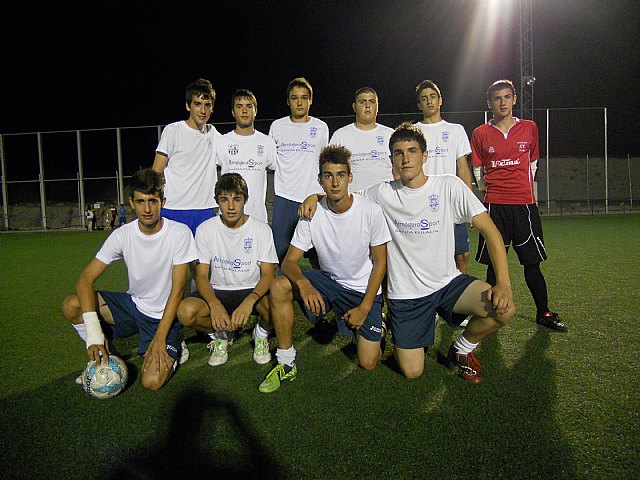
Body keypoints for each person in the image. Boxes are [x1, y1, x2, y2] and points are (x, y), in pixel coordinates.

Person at [301, 124, 515, 383]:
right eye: (398, 153)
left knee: (504, 309)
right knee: (412, 371)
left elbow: (492, 233)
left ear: (425, 156)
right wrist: (314, 196)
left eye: (412, 151)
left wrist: (502, 283)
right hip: (407, 295)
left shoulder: (449, 186)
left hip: (448, 283)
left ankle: (462, 348)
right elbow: (343, 196)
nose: (406, 158)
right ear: (391, 160)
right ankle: (391, 324)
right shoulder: (381, 193)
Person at [259, 145, 391, 393]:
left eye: (341, 175)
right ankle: (286, 361)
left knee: (368, 361)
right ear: (320, 180)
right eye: (328, 176)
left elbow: (380, 264)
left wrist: (365, 308)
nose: (335, 182)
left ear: (350, 177)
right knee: (279, 285)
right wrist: (304, 285)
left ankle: (379, 324)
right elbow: (289, 261)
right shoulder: (312, 213)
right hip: (328, 283)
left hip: (362, 291)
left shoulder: (370, 212)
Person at [62, 169, 197, 391]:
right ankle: (105, 359)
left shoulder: (179, 233)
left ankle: (176, 344)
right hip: (133, 307)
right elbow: (85, 280)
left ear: (162, 201)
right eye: (141, 201)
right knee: (71, 305)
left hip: (164, 316)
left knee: (151, 382)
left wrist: (160, 338)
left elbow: (178, 289)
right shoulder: (122, 235)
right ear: (132, 202)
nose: (147, 208)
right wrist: (94, 334)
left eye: (152, 201)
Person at [471, 79, 568, 332]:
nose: (502, 102)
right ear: (489, 103)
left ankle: (544, 312)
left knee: (531, 263)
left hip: (524, 206)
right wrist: (490, 194)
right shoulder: (480, 133)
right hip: (494, 207)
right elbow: (479, 171)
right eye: (497, 98)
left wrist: (526, 193)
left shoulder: (529, 128)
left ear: (514, 99)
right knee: (494, 265)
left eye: (506, 97)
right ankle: (491, 313)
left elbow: (533, 164)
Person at [177, 173, 278, 366]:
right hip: (218, 290)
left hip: (251, 290)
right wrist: (214, 303)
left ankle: (260, 334)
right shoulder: (205, 229)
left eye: (236, 199)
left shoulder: (261, 229)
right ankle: (220, 335)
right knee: (185, 312)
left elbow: (268, 274)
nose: (231, 206)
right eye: (224, 200)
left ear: (245, 200)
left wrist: (250, 300)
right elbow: (201, 275)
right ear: (217, 201)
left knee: (279, 305)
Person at [414, 79, 474, 274]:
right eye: (424, 99)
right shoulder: (414, 131)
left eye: (432, 97)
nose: (429, 101)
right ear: (419, 105)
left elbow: (463, 168)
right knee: (428, 256)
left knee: (461, 255)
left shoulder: (455, 130)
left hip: (452, 202)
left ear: (440, 100)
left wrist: (469, 203)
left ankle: (459, 296)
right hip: (424, 203)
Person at [268, 77, 329, 263]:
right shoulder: (277, 126)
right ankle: (278, 292)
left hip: (312, 199)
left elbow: (324, 164)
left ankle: (323, 291)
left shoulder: (321, 128)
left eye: (304, 97)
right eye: (294, 98)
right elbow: (271, 162)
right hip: (285, 198)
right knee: (279, 256)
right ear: (288, 101)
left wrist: (320, 194)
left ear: (310, 100)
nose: (300, 102)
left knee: (320, 258)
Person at [152, 78, 220, 236]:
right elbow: (156, 172)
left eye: (207, 105)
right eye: (197, 104)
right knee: (173, 260)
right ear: (188, 105)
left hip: (204, 210)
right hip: (174, 209)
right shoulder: (173, 131)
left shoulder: (213, 134)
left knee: (201, 261)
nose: (202, 110)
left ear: (212, 108)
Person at [216, 89, 277, 223]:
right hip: (227, 217)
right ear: (233, 112)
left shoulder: (267, 142)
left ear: (255, 110)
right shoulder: (221, 142)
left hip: (257, 218)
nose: (244, 111)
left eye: (249, 106)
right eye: (239, 106)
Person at [329, 87, 395, 191]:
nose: (367, 106)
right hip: (353, 200)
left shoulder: (390, 134)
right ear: (354, 107)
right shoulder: (340, 135)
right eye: (362, 102)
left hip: (386, 200)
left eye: (372, 102)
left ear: (377, 106)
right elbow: (330, 169)